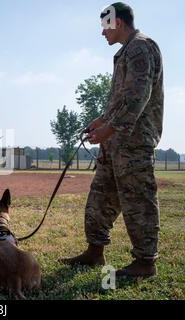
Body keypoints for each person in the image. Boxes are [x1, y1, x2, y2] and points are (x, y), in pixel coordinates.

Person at [61, 2, 164, 279]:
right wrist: (101, 121)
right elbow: (122, 99)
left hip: (133, 143)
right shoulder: (126, 52)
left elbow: (138, 97)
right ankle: (94, 251)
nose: (102, 32)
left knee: (138, 202)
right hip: (115, 143)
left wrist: (110, 129)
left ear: (117, 22)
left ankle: (145, 262)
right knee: (100, 198)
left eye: (105, 25)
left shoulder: (141, 47)